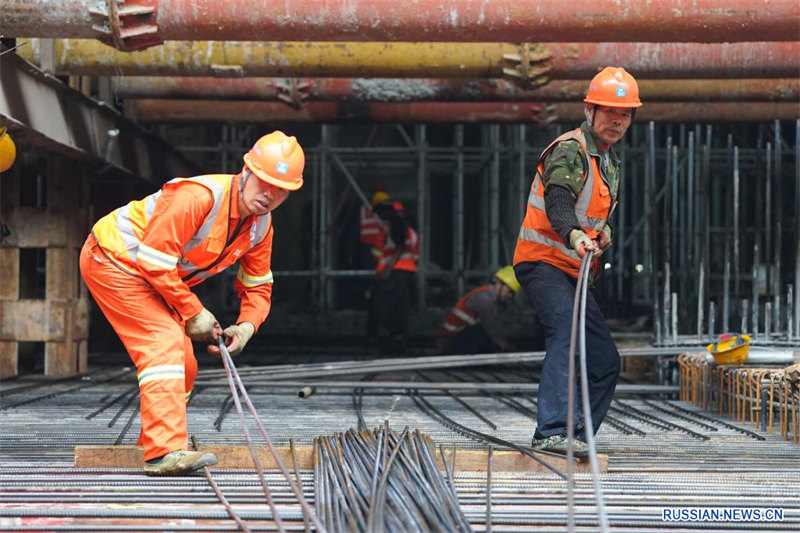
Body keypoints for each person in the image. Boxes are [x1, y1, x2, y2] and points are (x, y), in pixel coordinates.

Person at [79, 131, 305, 475]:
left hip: (153, 278)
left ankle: (150, 442)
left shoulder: (260, 227)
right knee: (164, 344)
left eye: (281, 190)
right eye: (265, 182)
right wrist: (193, 311)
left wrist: (246, 327)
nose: (270, 195)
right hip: (114, 261)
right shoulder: (199, 197)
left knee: (185, 365)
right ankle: (164, 453)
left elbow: (258, 286)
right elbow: (154, 260)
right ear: (246, 172)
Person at [513, 67, 641, 456]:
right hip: (542, 262)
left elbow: (600, 221)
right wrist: (574, 234)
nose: (617, 120)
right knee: (566, 336)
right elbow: (558, 201)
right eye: (609, 112)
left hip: (574, 271)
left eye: (625, 114)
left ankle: (578, 434)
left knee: (604, 359)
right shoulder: (571, 149)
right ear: (590, 110)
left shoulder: (609, 161)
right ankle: (551, 430)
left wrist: (602, 236)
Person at [436, 266, 521, 355]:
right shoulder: (483, 298)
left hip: (453, 341)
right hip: (448, 343)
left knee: (486, 335)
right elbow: (491, 327)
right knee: (482, 331)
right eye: (510, 291)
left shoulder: (490, 298)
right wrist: (506, 346)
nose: (510, 295)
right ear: (500, 285)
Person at [371, 197, 419, 354]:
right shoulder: (409, 231)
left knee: (389, 309)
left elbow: (394, 249)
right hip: (404, 273)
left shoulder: (394, 227)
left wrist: (386, 268)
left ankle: (394, 340)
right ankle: (397, 339)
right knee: (400, 308)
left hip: (395, 274)